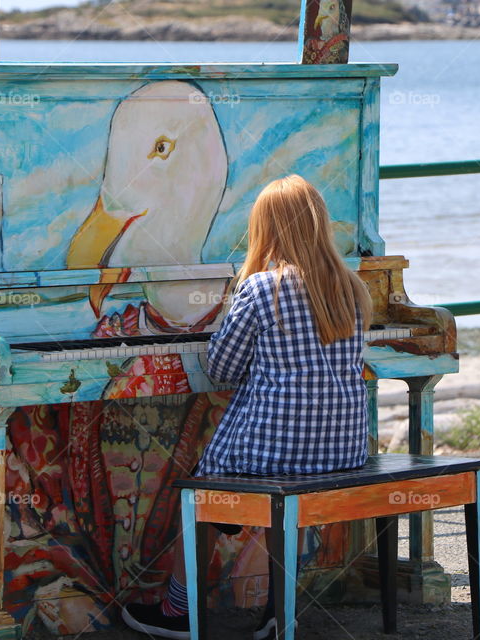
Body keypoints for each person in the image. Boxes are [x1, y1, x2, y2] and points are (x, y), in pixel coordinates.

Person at [122, 175, 374, 639]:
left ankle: (180, 611)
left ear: (268, 229)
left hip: (275, 453)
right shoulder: (353, 288)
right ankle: (279, 610)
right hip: (342, 450)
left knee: (202, 490)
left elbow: (221, 369)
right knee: (287, 476)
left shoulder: (261, 289)